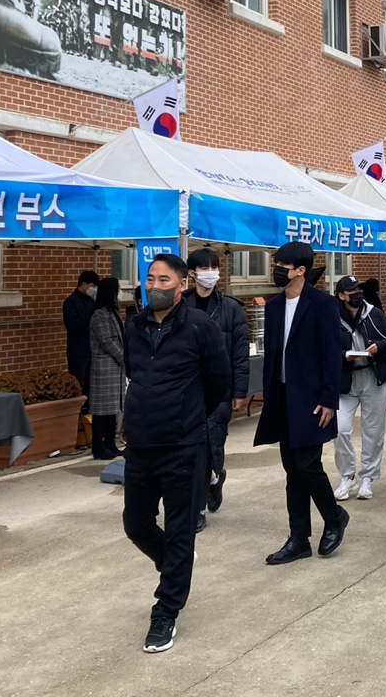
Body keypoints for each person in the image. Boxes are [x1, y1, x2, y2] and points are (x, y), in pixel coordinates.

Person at [121, 254, 230, 653]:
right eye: (150, 278)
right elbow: (134, 373)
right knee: (136, 524)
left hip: (184, 446)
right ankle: (173, 562)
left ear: (182, 285)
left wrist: (188, 414)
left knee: (181, 529)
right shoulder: (135, 327)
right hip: (141, 443)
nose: (155, 286)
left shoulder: (200, 327)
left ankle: (165, 612)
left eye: (164, 280)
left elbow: (219, 381)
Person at [254, 242, 351, 565]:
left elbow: (331, 354)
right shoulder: (273, 307)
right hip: (282, 397)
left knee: (307, 465)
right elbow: (273, 356)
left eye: (283, 265)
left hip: (312, 399)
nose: (276, 270)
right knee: (292, 470)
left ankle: (334, 516)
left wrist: (329, 399)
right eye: (276, 264)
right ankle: (299, 538)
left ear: (300, 270)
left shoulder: (322, 304)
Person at [186, 249, 251, 529]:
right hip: (187, 390)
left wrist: (239, 391)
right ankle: (201, 499)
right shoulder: (181, 305)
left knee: (213, 444)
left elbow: (240, 353)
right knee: (192, 449)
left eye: (214, 267)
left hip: (219, 390)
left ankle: (211, 482)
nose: (210, 272)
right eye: (204, 268)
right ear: (192, 273)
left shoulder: (231, 308)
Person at [333, 275, 386, 501]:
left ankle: (368, 477)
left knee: (373, 431)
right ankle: (348, 475)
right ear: (341, 296)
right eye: (352, 291)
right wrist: (343, 355)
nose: (358, 294)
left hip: (372, 376)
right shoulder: (332, 316)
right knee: (340, 429)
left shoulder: (374, 313)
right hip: (345, 379)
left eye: (359, 290)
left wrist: (379, 346)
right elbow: (323, 348)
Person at [88, 277, 126, 460]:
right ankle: (98, 447)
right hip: (104, 368)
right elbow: (107, 341)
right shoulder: (99, 315)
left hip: (115, 369)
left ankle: (110, 443)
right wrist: (124, 358)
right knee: (101, 412)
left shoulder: (113, 312)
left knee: (112, 409)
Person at [63, 269, 99, 400]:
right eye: (92, 286)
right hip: (78, 351)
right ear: (84, 284)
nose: (93, 290)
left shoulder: (91, 301)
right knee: (78, 384)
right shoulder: (71, 302)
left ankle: (87, 409)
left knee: (89, 385)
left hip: (91, 349)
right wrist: (89, 315)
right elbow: (72, 325)